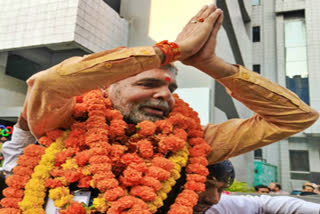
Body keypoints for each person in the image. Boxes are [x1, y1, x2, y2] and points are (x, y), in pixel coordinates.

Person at [0, 3, 319, 213]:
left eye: (171, 87)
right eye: (148, 84)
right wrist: (168, 52)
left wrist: (215, 66)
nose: (165, 94)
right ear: (107, 85)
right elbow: (47, 84)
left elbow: (295, 117)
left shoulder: (191, 145)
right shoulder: (62, 120)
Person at [195, 161, 320, 214]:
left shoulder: (221, 207)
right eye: (205, 185)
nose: (214, 199)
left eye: (220, 190)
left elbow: (263, 204)